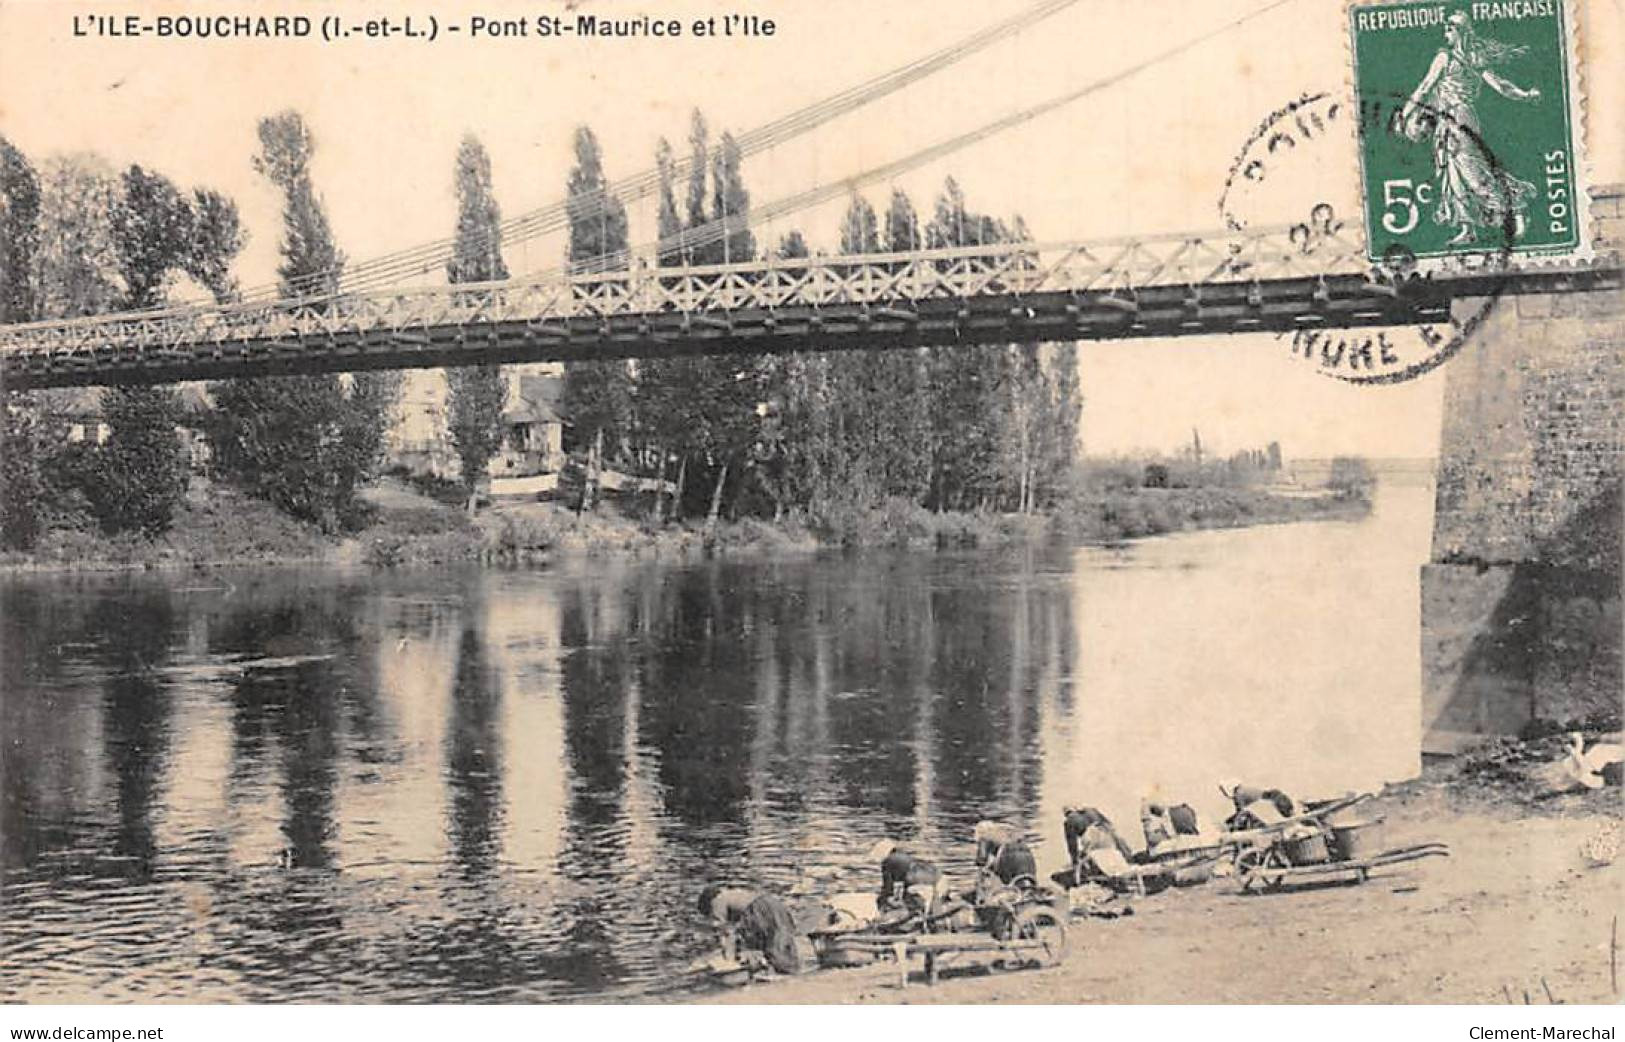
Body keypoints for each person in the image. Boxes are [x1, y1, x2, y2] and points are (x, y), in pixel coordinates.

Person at [1399, 11, 1541, 246]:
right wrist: (1525, 96)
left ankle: (1516, 206)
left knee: (1473, 173)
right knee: (1453, 176)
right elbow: (1502, 86)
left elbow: (1425, 87)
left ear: (1462, 32)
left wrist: (1405, 114)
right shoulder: (1470, 58)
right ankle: (1468, 228)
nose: (1446, 29)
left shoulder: (1448, 58)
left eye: (1451, 26)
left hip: (1459, 118)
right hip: (1449, 119)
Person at [697, 884, 804, 975]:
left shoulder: (717, 901)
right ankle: (793, 967)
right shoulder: (733, 893)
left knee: (763, 942)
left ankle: (776, 969)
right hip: (772, 902)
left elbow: (726, 932)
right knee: (781, 937)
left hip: (757, 908)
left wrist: (728, 961)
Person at [870, 839, 941, 914]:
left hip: (917, 878)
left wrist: (881, 901)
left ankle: (915, 914)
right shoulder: (905, 856)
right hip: (934, 876)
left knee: (908, 900)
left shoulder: (887, 862)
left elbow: (887, 887)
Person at [1062, 805, 1138, 869]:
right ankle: (1128, 864)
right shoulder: (1091, 810)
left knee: (1098, 858)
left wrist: (1075, 861)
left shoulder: (1069, 820)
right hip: (1104, 832)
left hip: (1088, 836)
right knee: (1113, 854)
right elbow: (1109, 824)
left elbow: (1072, 844)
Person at [973, 820, 1039, 886]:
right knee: (1026, 883)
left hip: (1007, 855)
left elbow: (981, 860)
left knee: (1008, 886)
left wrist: (979, 879)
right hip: (1027, 854)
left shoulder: (984, 836)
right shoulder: (1005, 832)